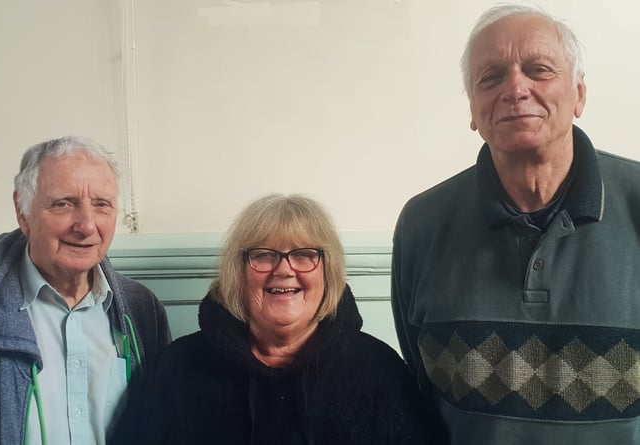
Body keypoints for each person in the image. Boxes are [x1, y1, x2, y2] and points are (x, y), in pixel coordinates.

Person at [391, 4, 640, 445]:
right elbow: (422, 392)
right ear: (473, 108)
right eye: (491, 77)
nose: (516, 88)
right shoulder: (422, 225)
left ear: (580, 93)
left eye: (539, 70)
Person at [112, 193, 436, 445]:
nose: (284, 269)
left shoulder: (381, 372)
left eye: (305, 254)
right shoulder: (175, 370)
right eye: (263, 255)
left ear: (328, 270)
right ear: (238, 273)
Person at [0, 136, 171, 445]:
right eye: (64, 203)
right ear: (22, 212)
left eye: (102, 204)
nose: (87, 225)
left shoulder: (142, 309)